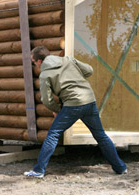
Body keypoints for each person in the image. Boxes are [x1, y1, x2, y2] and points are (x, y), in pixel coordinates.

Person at [24, 46, 127, 178]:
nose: (34, 65)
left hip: (72, 105)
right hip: (89, 100)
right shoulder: (68, 60)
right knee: (100, 135)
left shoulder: (45, 74)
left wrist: (58, 110)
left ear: (39, 61)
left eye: (33, 62)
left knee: (53, 135)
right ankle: (120, 168)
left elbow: (46, 100)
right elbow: (89, 70)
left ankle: (38, 171)